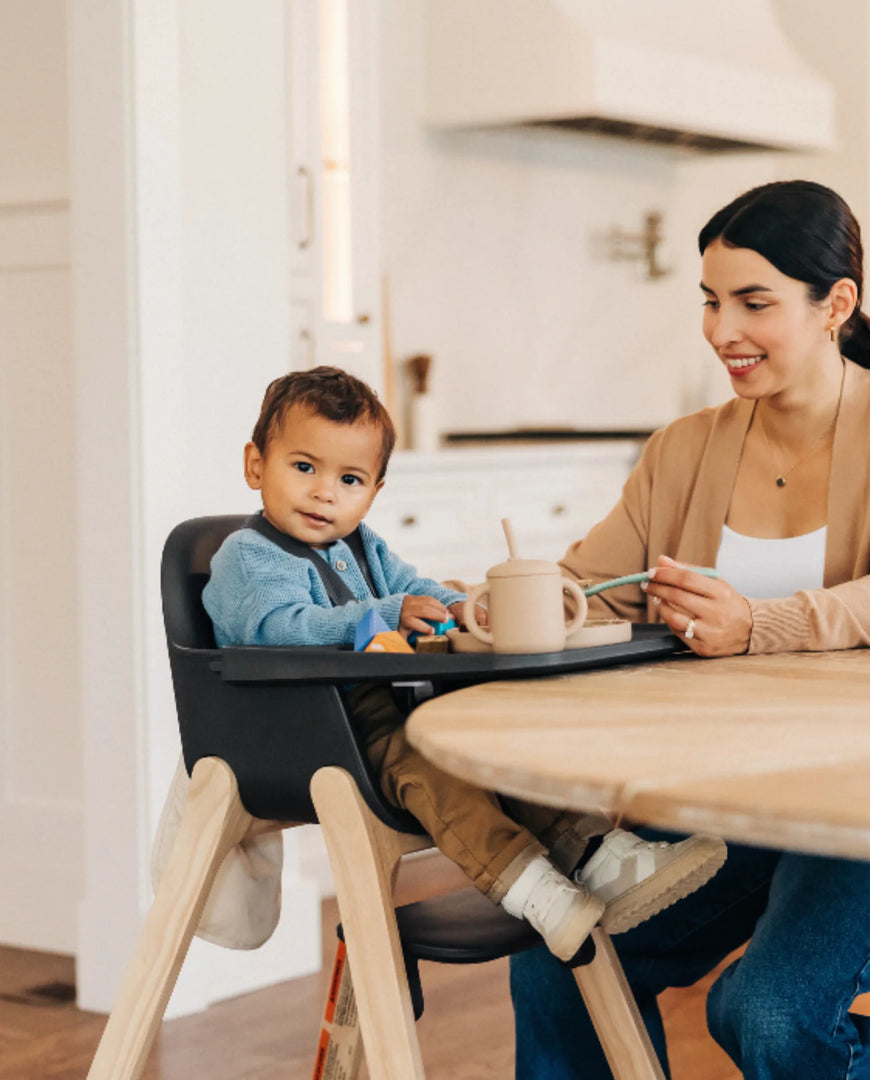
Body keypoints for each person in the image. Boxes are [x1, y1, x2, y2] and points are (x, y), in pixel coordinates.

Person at [508, 180, 870, 1078]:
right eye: (710, 301)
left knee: (766, 1009)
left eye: (754, 303)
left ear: (835, 305)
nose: (722, 330)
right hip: (735, 798)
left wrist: (758, 625)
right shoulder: (684, 448)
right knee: (560, 963)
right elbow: (589, 589)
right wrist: (475, 602)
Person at [202, 366, 727, 962]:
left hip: (383, 706)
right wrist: (383, 615)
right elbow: (277, 629)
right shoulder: (249, 556)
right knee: (430, 766)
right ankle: (532, 888)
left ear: (374, 491)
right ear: (255, 465)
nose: (326, 492)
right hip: (312, 731)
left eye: (349, 479)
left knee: (485, 741)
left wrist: (465, 606)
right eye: (304, 467)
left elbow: (414, 586)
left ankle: (599, 856)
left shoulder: (362, 545)